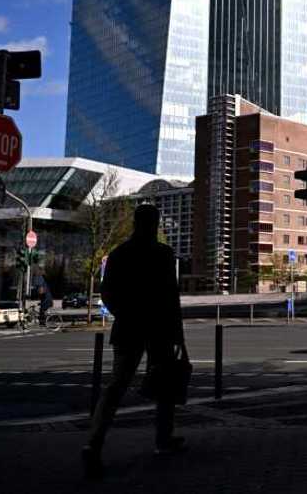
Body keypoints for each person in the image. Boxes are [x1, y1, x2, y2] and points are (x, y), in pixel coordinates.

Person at [83, 203, 186, 478]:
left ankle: (94, 442)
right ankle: (163, 440)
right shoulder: (163, 254)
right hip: (159, 329)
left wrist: (126, 314)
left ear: (134, 223)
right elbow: (170, 296)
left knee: (115, 387)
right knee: (165, 387)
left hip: (128, 329)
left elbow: (107, 293)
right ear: (155, 224)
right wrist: (178, 335)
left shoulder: (119, 254)